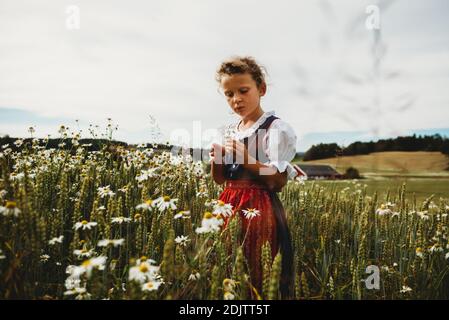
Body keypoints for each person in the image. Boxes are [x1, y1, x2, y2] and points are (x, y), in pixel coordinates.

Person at [209, 56, 298, 299]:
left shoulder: (274, 128)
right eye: (229, 94)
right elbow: (220, 180)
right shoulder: (228, 131)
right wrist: (216, 160)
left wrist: (246, 158)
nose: (236, 99)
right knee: (227, 264)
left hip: (258, 209)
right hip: (228, 204)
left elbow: (277, 181)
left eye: (243, 90)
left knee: (256, 268)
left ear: (262, 89)